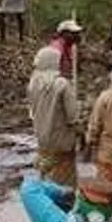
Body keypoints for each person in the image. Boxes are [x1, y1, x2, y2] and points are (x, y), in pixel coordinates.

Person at [27, 46, 80, 186]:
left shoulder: (33, 84)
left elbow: (32, 112)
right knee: (64, 183)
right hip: (62, 142)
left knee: (46, 178)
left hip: (42, 141)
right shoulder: (62, 84)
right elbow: (72, 117)